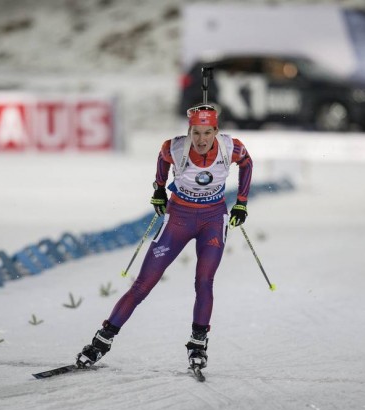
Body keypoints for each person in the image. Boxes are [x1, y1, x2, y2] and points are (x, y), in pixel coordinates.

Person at [76, 104, 253, 370]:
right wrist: (159, 189)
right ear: (189, 131)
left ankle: (197, 343)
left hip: (213, 221)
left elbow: (247, 163)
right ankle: (102, 340)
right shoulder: (175, 147)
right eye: (196, 133)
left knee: (204, 281)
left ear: (216, 130)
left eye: (207, 133)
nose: (201, 140)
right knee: (143, 285)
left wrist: (241, 202)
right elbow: (162, 159)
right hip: (178, 219)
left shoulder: (231, 147)